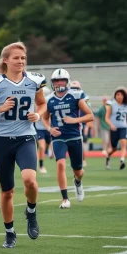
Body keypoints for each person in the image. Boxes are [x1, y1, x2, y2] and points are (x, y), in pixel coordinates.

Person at [0, 42, 46, 248]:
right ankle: (9, 232)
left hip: (26, 137)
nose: (21, 61)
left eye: (23, 58)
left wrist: (38, 114)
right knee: (7, 191)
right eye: (16, 58)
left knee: (30, 180)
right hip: (2, 140)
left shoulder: (35, 80)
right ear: (5, 60)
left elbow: (42, 103)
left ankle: (31, 211)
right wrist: (0, 109)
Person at [42, 69, 94, 209]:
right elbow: (45, 118)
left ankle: (77, 182)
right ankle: (65, 198)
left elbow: (90, 116)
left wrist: (74, 120)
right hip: (58, 137)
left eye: (62, 80)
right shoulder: (49, 99)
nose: (59, 83)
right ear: (53, 83)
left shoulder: (76, 95)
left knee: (78, 171)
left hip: (74, 136)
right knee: (60, 164)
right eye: (56, 81)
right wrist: (49, 129)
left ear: (67, 81)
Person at [105, 87, 127, 170]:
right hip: (114, 128)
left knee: (123, 143)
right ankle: (108, 156)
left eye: (121, 94)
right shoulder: (112, 105)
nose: (119, 96)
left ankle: (122, 160)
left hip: (123, 127)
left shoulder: (126, 105)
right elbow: (106, 118)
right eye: (117, 94)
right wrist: (111, 125)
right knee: (114, 148)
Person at [35, 86, 52, 174]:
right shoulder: (37, 103)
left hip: (48, 128)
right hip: (39, 128)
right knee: (41, 146)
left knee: (47, 144)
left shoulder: (51, 102)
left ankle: (46, 151)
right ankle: (41, 165)